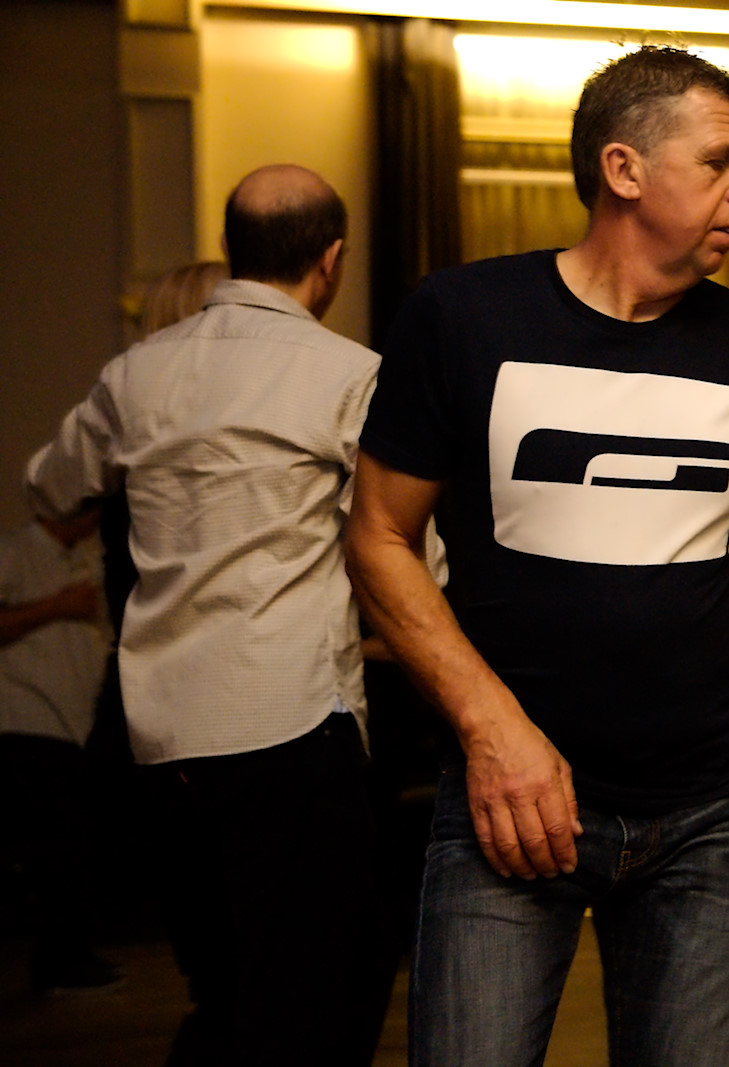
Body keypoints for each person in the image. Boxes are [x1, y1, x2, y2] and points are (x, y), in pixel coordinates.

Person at [343, 45, 729, 1067]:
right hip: (513, 802)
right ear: (624, 169)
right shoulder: (465, 317)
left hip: (707, 815)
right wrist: (492, 731)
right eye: (721, 160)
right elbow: (378, 535)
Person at [26, 164, 392, 1065]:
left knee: (227, 987)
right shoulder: (351, 374)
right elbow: (401, 548)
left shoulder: (136, 372)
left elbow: (50, 488)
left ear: (230, 249)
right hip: (293, 719)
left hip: (167, 735)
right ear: (333, 259)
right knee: (333, 985)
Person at [0, 506, 119, 995]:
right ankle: (59, 964)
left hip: (69, 727)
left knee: (71, 847)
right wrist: (55, 606)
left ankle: (70, 957)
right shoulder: (13, 552)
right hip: (24, 720)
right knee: (57, 849)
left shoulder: (81, 560)